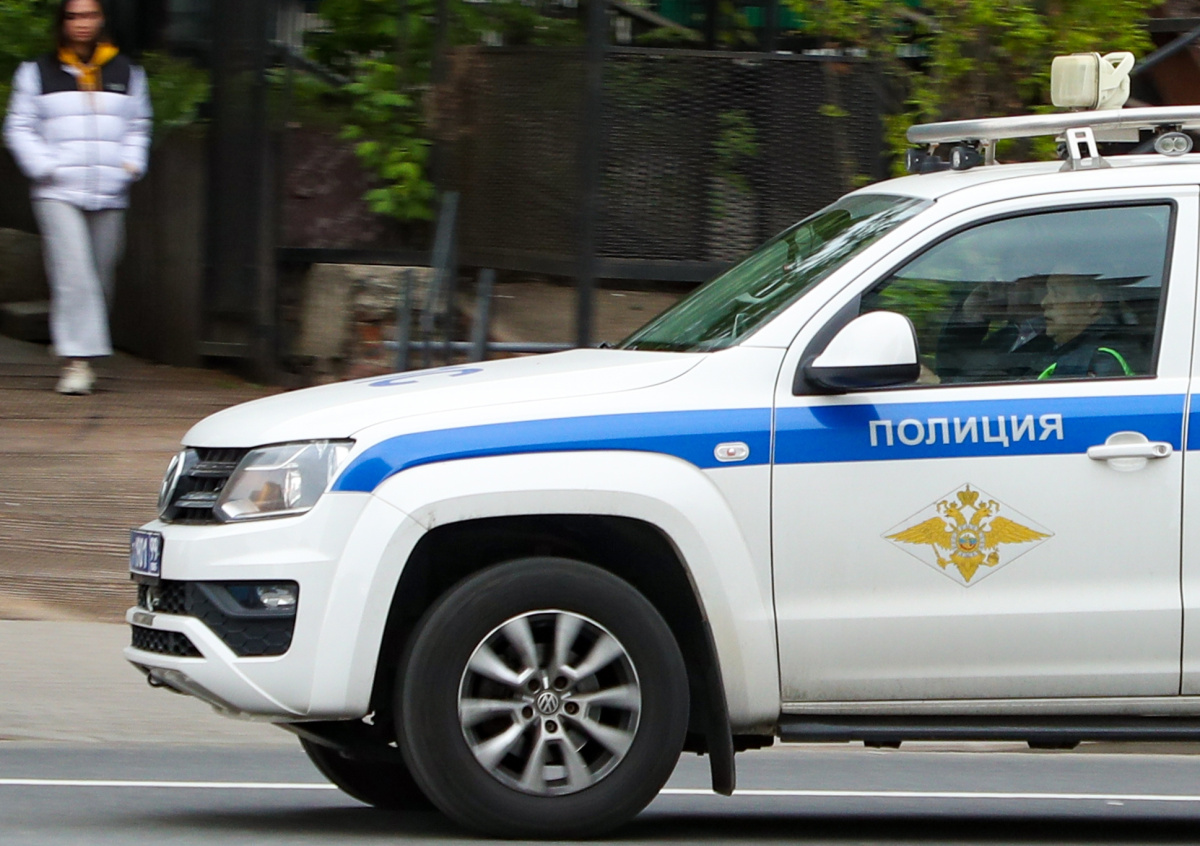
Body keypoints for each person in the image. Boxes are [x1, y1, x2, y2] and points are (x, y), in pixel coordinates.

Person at [3, 0, 152, 395]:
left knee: (100, 275)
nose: (81, 23)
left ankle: (74, 344)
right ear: (62, 21)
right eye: (73, 16)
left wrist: (130, 166)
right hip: (56, 190)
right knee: (74, 272)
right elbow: (19, 126)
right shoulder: (36, 72)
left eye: (88, 15)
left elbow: (139, 125)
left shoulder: (127, 72)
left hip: (111, 189)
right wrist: (44, 167)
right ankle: (77, 363)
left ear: (101, 19)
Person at [1032, 272, 1138, 379]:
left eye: (1057, 294)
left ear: (1092, 304)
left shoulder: (1100, 360)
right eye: (1047, 292)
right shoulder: (1044, 345)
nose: (1044, 302)